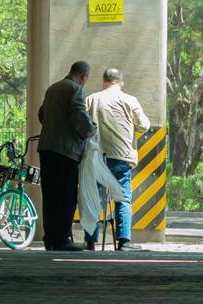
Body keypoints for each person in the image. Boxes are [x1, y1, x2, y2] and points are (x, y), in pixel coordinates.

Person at [84, 68, 149, 251]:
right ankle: (123, 241)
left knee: (93, 198)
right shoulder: (129, 100)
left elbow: (83, 124)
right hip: (120, 156)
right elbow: (144, 125)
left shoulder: (91, 99)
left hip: (95, 157)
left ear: (104, 82)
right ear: (121, 83)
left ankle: (90, 241)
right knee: (122, 199)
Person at [38, 61, 97, 251]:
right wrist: (91, 130)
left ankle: (50, 238)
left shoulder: (52, 88)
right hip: (66, 151)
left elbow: (41, 114)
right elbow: (79, 117)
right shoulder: (76, 89)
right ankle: (63, 239)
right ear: (83, 77)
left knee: (50, 195)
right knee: (66, 196)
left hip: (46, 148)